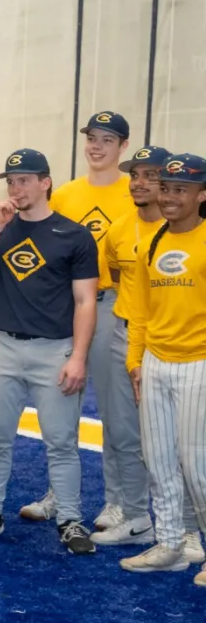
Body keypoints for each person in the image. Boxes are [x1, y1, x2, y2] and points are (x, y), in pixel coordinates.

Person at [0, 148, 99, 555]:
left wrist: (78, 356)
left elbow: (85, 301)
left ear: (45, 183)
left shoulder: (74, 235)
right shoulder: (0, 227)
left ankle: (69, 518)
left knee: (61, 441)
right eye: (11, 181)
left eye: (24, 180)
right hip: (3, 346)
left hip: (55, 350)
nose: (16, 188)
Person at [19, 112, 146, 530]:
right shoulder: (66, 194)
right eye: (92, 137)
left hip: (113, 305)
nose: (97, 146)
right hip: (66, 306)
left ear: (123, 146)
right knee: (60, 409)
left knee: (118, 414)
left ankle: (118, 502)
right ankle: (61, 494)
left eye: (107, 139)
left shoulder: (136, 192)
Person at [121, 153, 206, 576]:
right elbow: (140, 309)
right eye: (166, 188)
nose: (170, 197)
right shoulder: (152, 242)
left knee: (197, 467)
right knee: (158, 461)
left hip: (198, 363)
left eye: (181, 190)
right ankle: (170, 544)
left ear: (201, 195)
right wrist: (135, 360)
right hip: (155, 362)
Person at [95, 145, 182, 547]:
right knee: (122, 430)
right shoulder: (118, 230)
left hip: (177, 342)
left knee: (179, 439)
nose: (140, 183)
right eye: (135, 175)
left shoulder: (186, 230)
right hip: (127, 335)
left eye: (151, 175)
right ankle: (134, 515)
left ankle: (184, 527)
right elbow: (118, 280)